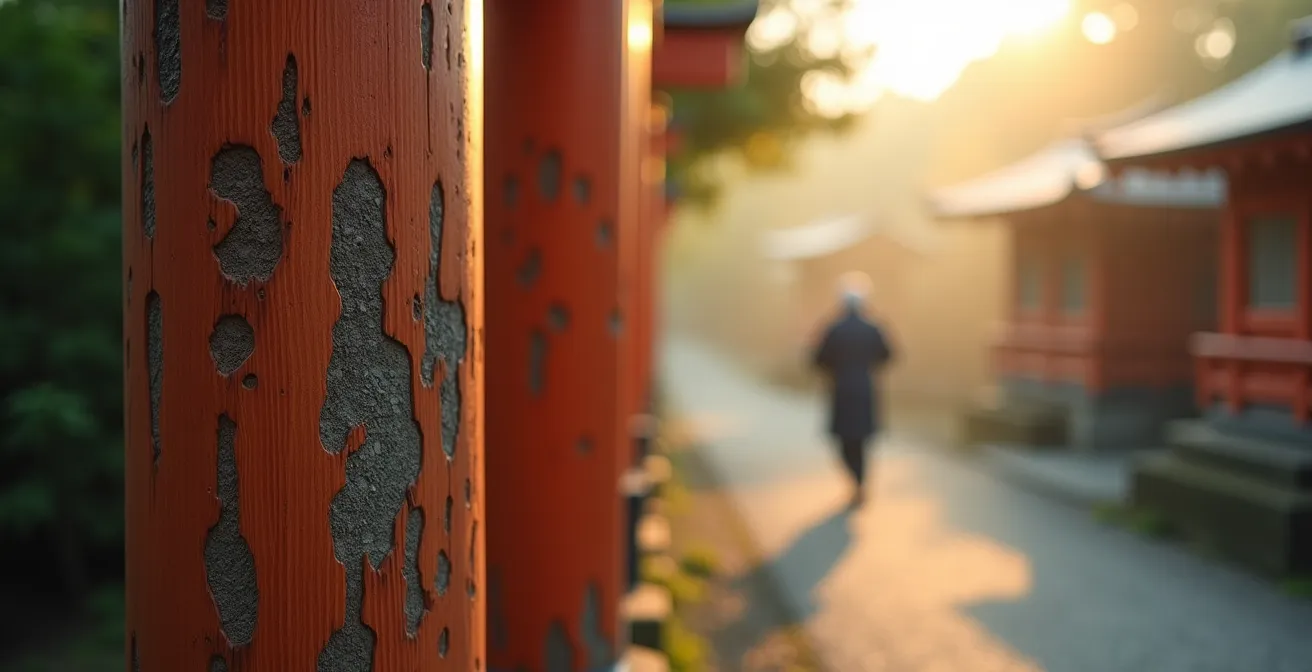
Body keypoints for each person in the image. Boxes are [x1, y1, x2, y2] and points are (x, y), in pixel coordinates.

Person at [811, 272, 895, 509]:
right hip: (866, 391)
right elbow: (888, 355)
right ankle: (860, 482)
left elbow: (818, 359)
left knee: (844, 441)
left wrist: (836, 370)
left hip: (841, 392)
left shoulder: (833, 328)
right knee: (862, 441)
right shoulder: (874, 328)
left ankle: (855, 482)